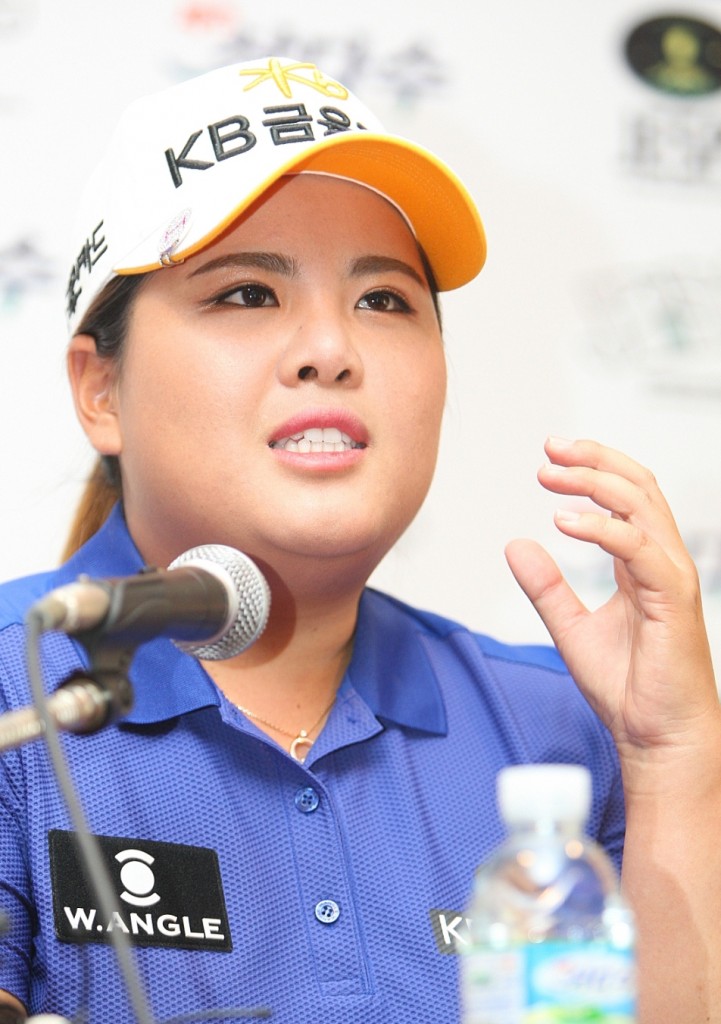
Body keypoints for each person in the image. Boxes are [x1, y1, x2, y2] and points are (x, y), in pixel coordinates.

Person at [0, 55, 719, 1024]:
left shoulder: (562, 730)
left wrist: (670, 759)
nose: (330, 349)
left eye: (382, 300)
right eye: (248, 293)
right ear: (98, 389)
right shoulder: (19, 696)